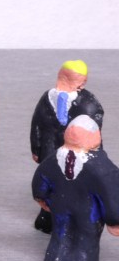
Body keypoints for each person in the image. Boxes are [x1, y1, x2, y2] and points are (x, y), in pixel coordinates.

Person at [32, 116, 119, 261]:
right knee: (85, 237)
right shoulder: (101, 166)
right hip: (88, 213)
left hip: (60, 206)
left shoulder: (55, 157)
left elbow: (41, 177)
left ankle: (54, 260)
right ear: (95, 138)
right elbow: (111, 192)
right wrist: (114, 219)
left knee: (60, 232)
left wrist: (41, 196)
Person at [29, 60, 104, 233]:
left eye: (82, 81)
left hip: (75, 154)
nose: (81, 85)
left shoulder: (89, 104)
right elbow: (37, 124)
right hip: (49, 150)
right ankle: (47, 216)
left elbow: (94, 133)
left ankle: (68, 220)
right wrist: (36, 148)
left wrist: (93, 157)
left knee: (71, 186)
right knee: (48, 182)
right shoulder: (47, 99)